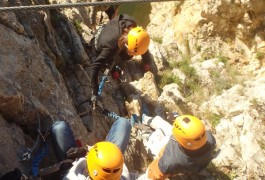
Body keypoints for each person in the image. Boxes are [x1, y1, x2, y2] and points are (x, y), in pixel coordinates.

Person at [88, 14, 152, 109]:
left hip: (107, 30)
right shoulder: (111, 47)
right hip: (98, 44)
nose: (135, 55)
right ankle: (112, 67)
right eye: (134, 53)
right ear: (126, 46)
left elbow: (140, 41)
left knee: (127, 54)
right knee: (125, 57)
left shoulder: (131, 24)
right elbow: (95, 67)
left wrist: (147, 60)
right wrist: (95, 91)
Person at [140, 113, 216, 179]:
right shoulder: (210, 140)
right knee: (165, 126)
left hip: (164, 151)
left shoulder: (169, 162)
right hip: (183, 150)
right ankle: (147, 119)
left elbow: (152, 175)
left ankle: (144, 132)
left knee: (153, 140)